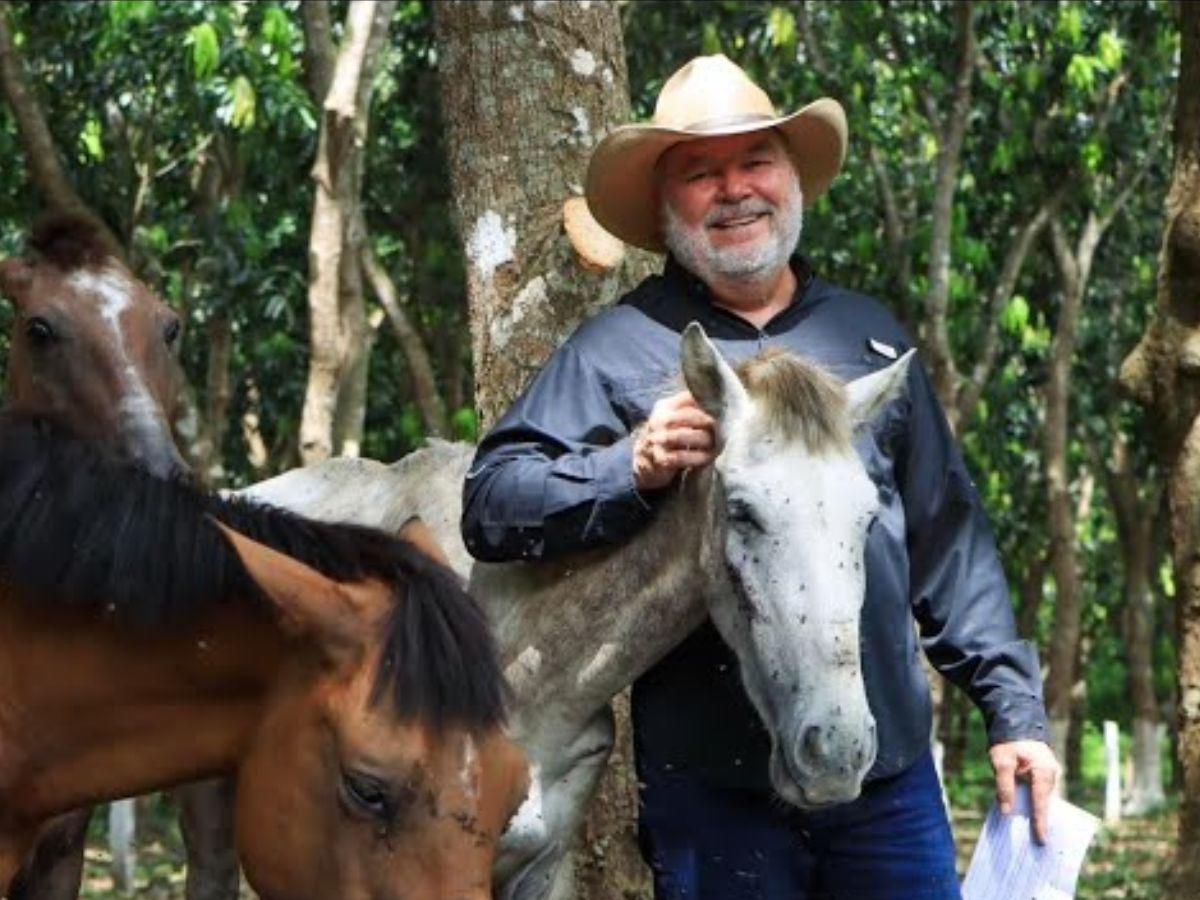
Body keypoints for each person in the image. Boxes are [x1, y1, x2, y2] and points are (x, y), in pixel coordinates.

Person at [461, 54, 1059, 899]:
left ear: (792, 178)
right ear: (667, 206)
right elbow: (490, 503)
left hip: (884, 786)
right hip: (715, 802)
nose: (734, 189)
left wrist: (1015, 716)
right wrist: (624, 467)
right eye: (701, 173)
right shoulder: (616, 351)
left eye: (755, 162)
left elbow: (948, 546)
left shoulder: (870, 342)